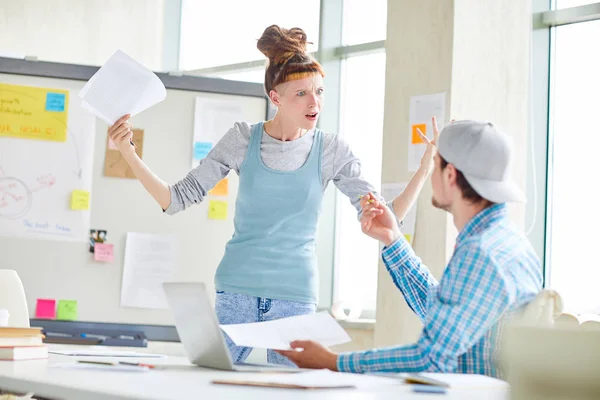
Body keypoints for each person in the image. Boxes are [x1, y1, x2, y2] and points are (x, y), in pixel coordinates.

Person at [107, 25, 430, 366]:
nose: (315, 102)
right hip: (235, 293)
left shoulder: (332, 149)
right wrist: (128, 153)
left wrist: (424, 169)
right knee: (211, 387)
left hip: (295, 298)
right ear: (275, 98)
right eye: (302, 94)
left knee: (288, 391)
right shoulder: (242, 139)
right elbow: (175, 200)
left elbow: (387, 217)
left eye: (319, 91)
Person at [277, 120, 543, 377]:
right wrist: (393, 238)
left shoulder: (479, 251)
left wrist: (334, 361)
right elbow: (444, 316)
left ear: (449, 174)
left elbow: (430, 357)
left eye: (435, 164)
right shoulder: (508, 241)